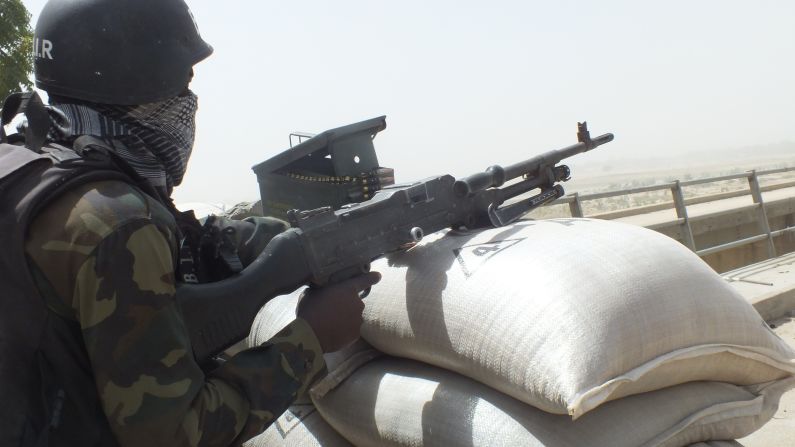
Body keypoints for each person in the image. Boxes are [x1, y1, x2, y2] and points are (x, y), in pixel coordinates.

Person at [0, 0, 379, 445]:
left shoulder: (26, 163)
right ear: (142, 84)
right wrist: (310, 338)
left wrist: (279, 241)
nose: (189, 103)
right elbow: (178, 433)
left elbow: (179, 241)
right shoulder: (120, 224)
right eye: (182, 85)